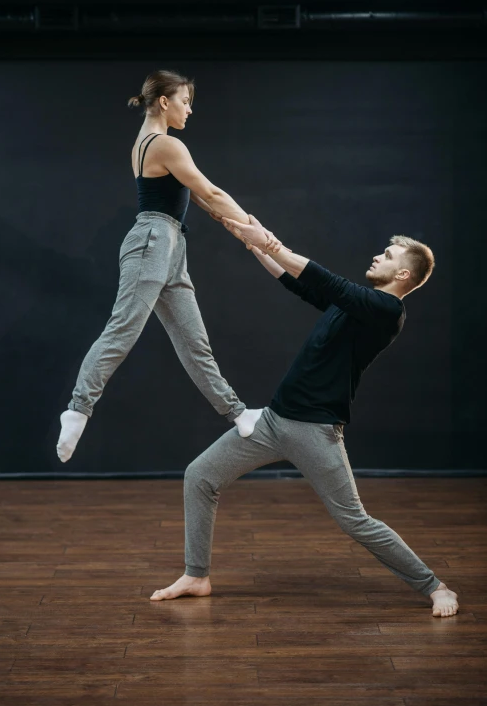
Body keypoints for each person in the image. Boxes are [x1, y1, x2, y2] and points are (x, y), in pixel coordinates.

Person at [150, 216, 459, 618]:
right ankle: (196, 575)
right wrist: (259, 246)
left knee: (355, 521)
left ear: (403, 273)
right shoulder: (358, 305)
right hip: (272, 422)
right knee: (200, 475)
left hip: (315, 431)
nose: (376, 256)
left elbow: (328, 280)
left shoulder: (385, 309)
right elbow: (299, 283)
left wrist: (271, 244)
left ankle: (435, 587)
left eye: (387, 255)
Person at [57, 71, 280, 462]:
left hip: (171, 246)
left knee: (194, 342)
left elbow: (204, 203)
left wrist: (246, 230)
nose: (189, 109)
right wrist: (258, 229)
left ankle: (238, 412)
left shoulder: (147, 144)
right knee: (123, 329)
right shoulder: (165, 144)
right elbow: (209, 191)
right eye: (185, 101)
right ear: (164, 102)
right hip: (152, 242)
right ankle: (77, 409)